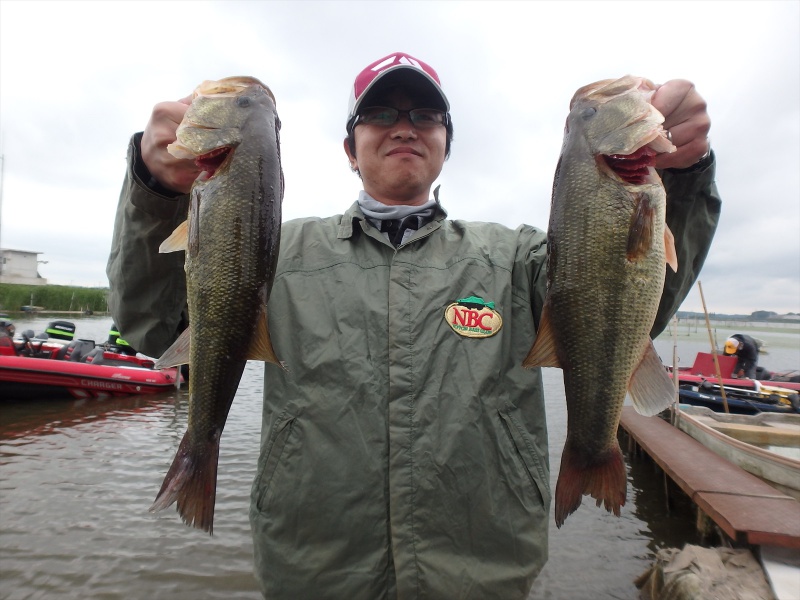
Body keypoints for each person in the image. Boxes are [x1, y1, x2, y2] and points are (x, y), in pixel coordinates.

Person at [106, 52, 720, 599]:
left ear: (446, 143)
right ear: (351, 149)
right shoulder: (274, 250)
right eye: (381, 114)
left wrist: (683, 178)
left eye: (426, 115)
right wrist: (155, 187)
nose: (405, 125)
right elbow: (154, 325)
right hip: (313, 571)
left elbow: (627, 310)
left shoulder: (518, 258)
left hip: (485, 572)